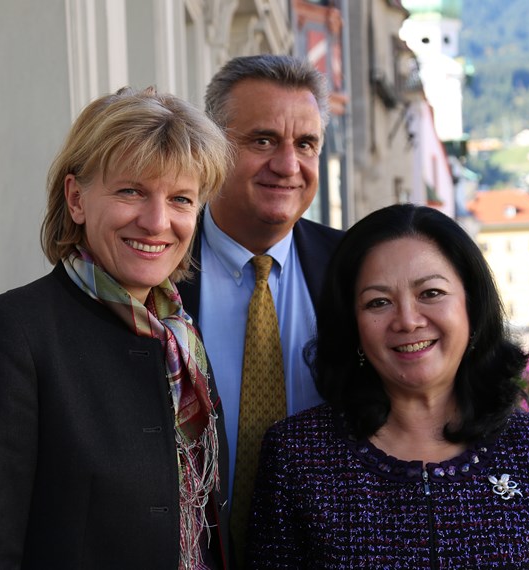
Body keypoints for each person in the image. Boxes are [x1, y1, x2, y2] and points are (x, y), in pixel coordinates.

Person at [0, 86, 232, 569]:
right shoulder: (5, 337)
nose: (157, 221)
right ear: (76, 199)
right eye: (131, 190)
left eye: (181, 199)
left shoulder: (181, 338)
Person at [248, 204, 529, 568]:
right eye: (378, 302)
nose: (408, 321)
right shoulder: (297, 457)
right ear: (353, 325)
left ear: (471, 305)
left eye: (430, 293)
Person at [176, 54, 343, 556]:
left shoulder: (356, 272)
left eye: (306, 144)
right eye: (263, 140)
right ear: (213, 146)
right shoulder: (154, 268)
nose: (288, 166)